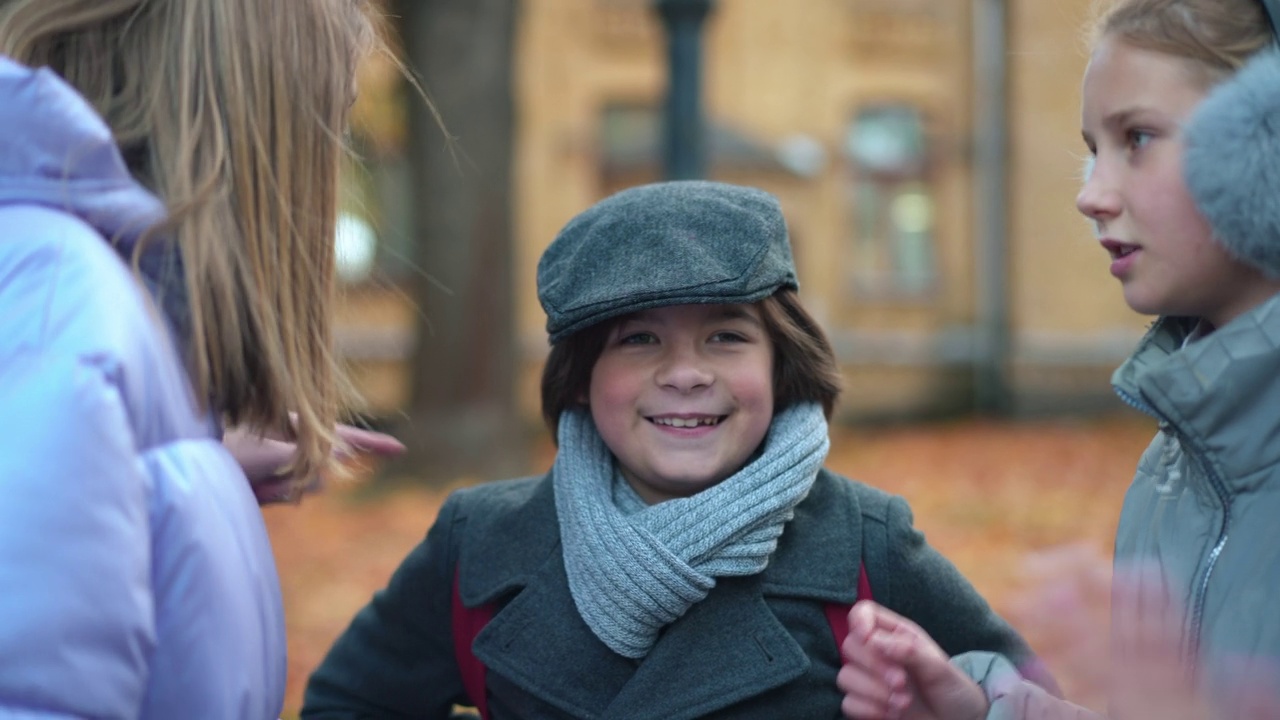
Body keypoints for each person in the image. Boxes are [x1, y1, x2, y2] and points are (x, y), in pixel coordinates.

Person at [301, 180, 1057, 718]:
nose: (687, 374)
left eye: (726, 336)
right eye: (639, 340)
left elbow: (1027, 696)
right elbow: (348, 702)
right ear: (581, 379)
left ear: (781, 365)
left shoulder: (867, 547)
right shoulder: (480, 546)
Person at [837, 0, 1280, 718]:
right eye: (1092, 148)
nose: (1090, 195)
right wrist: (981, 711)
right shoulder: (1172, 476)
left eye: (1137, 138)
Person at [0, 0, 390, 716]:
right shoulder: (63, 306)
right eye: (330, 121)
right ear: (260, 124)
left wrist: (177, 462)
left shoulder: (87, 309)